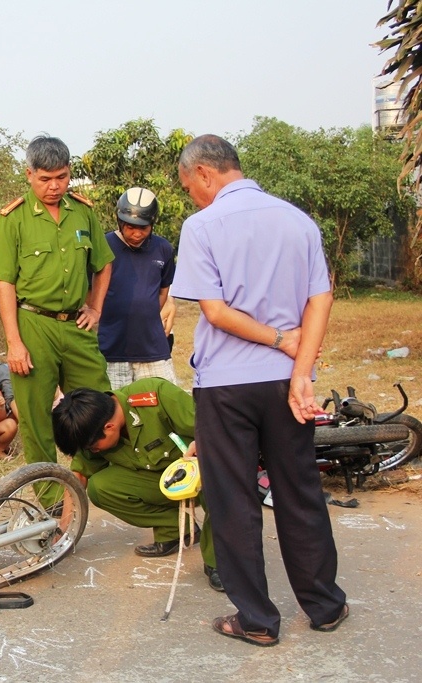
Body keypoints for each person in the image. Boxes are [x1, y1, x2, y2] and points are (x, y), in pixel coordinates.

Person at [171, 134, 346, 646]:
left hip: (226, 386)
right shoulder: (297, 220)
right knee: (298, 490)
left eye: (189, 187)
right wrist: (301, 369)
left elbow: (215, 312)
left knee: (234, 500)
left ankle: (256, 620)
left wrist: (275, 338)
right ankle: (324, 606)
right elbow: (321, 299)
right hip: (285, 383)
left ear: (204, 174)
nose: (192, 197)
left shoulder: (202, 226)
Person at [0, 136, 113, 466]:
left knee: (98, 404)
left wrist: (96, 308)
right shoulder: (13, 218)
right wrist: (14, 343)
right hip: (33, 325)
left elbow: (103, 263)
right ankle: (50, 488)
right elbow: (4, 282)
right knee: (35, 414)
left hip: (76, 325)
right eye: (45, 179)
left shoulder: (83, 213)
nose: (54, 186)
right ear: (29, 174)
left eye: (62, 177)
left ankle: (92, 478)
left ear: (69, 172)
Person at [51, 378, 220, 591]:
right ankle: (177, 529)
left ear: (109, 427)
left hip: (205, 473)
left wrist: (203, 446)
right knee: (101, 488)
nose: (93, 451)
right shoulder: (92, 425)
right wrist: (64, 532)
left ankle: (220, 561)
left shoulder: (156, 396)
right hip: (165, 482)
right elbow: (79, 476)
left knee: (219, 488)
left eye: (93, 448)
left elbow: (214, 429)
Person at [98, 187, 178, 389]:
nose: (136, 233)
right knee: (114, 405)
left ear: (152, 224)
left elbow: (163, 291)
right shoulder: (103, 246)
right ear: (119, 221)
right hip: (111, 349)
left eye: (143, 228)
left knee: (162, 401)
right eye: (130, 227)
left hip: (152, 349)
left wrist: (148, 316)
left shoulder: (163, 249)